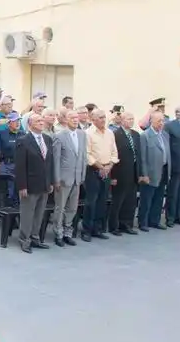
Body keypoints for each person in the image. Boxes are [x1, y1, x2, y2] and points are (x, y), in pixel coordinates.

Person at [15, 113, 53, 254]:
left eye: (42, 120)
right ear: (30, 124)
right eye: (38, 121)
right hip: (29, 184)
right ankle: (24, 240)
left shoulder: (47, 139)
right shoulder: (23, 141)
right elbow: (20, 166)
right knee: (27, 213)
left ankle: (35, 238)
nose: (41, 122)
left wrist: (51, 181)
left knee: (39, 213)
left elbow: (49, 163)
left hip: (44, 183)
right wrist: (22, 185)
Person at [51, 110, 87, 247]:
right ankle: (58, 233)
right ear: (66, 119)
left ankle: (68, 232)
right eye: (72, 118)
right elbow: (56, 159)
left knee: (72, 207)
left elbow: (83, 157)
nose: (75, 120)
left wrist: (83, 174)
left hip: (77, 178)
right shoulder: (59, 136)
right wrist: (57, 179)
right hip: (64, 178)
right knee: (60, 207)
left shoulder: (82, 135)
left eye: (77, 117)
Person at [82, 109, 118, 242]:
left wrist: (109, 166)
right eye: (100, 117)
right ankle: (86, 230)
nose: (103, 120)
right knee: (91, 201)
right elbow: (87, 154)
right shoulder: (88, 133)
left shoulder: (110, 133)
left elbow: (114, 153)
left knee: (102, 201)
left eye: (104, 117)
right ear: (93, 119)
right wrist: (100, 167)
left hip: (107, 170)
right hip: (93, 170)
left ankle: (97, 229)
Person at [108, 112, 141, 236]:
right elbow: (113, 155)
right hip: (120, 172)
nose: (131, 121)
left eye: (132, 118)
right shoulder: (115, 135)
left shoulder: (136, 135)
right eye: (128, 119)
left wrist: (140, 173)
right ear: (121, 120)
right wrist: (113, 176)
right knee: (118, 200)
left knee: (130, 200)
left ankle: (126, 224)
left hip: (133, 172)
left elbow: (139, 155)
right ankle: (114, 226)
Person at [138, 112, 171, 231]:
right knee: (147, 199)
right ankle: (143, 222)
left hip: (163, 170)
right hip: (151, 172)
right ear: (151, 121)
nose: (161, 123)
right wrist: (144, 174)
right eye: (159, 121)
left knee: (159, 197)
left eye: (163, 121)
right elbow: (142, 157)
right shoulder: (145, 136)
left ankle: (154, 220)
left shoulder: (165, 135)